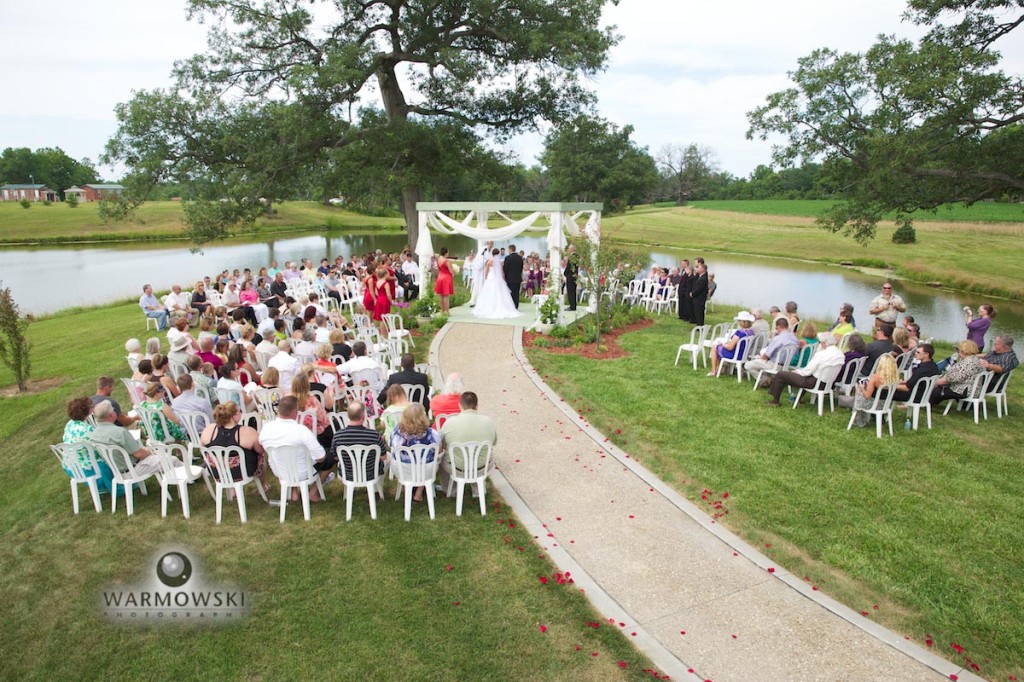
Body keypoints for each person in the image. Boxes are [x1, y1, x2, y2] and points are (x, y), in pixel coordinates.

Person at [765, 333, 845, 406]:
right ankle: (798, 399)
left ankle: (775, 401)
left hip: (815, 383)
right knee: (809, 375)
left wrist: (798, 372)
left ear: (823, 343)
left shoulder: (821, 354)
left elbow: (807, 372)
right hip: (828, 384)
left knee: (781, 375)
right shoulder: (840, 355)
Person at [89, 399, 164, 476]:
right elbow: (139, 454)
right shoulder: (120, 432)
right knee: (172, 460)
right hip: (134, 469)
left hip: (118, 473)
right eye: (113, 410)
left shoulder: (94, 435)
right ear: (111, 415)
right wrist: (150, 450)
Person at [202, 401, 268, 487]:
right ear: (234, 416)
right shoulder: (247, 431)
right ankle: (262, 487)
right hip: (242, 473)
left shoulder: (209, 429)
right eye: (239, 411)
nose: (241, 413)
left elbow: (202, 448)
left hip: (218, 473)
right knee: (261, 457)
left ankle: (233, 491)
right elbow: (260, 450)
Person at [439, 391, 497, 483]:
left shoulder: (450, 422)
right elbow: (493, 443)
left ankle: (450, 490)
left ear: (459, 406)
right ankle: (477, 490)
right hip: (481, 468)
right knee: (488, 454)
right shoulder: (488, 422)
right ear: (477, 406)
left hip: (456, 468)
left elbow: (442, 445)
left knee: (441, 458)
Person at [61, 397, 114, 493]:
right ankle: (112, 484)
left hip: (71, 467)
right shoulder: (86, 430)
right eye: (91, 407)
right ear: (86, 411)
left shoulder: (69, 424)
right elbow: (100, 447)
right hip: (87, 469)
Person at [389, 403, 439, 502]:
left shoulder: (396, 432)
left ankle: (415, 489)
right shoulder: (431, 433)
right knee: (431, 460)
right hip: (425, 471)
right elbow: (439, 450)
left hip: (402, 469)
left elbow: (392, 445)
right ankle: (419, 492)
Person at [330, 401, 386, 482]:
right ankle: (376, 489)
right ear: (363, 416)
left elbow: (335, 457)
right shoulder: (374, 435)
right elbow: (383, 457)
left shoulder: (338, 436)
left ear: (348, 416)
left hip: (347, 475)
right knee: (388, 457)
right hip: (371, 474)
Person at [850, 353, 901, 427]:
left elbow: (867, 396)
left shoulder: (875, 377)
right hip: (884, 404)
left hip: (872, 405)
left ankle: (858, 418)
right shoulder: (894, 377)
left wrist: (861, 387)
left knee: (858, 387)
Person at [745, 317, 800, 385]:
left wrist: (761, 357)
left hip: (774, 365)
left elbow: (766, 355)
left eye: (776, 328)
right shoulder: (795, 339)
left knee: (747, 365)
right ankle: (769, 379)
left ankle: (766, 380)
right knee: (760, 362)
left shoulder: (778, 338)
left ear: (779, 327)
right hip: (786, 366)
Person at [930, 340, 986, 406]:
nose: (959, 352)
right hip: (970, 388)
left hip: (964, 390)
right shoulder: (975, 359)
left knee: (936, 391)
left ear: (963, 351)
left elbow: (956, 378)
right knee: (938, 387)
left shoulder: (969, 362)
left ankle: (927, 403)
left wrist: (937, 382)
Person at [473, 248, 522, 319]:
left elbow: (486, 271)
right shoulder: (500, 262)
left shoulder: (489, 262)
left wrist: (486, 278)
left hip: (491, 278)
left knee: (489, 292)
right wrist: (503, 279)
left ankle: (488, 307)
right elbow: (502, 272)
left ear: (492, 254)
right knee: (500, 293)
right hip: (498, 279)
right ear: (498, 254)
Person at [291, 372, 333, 450]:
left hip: (295, 435)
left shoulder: (288, 400)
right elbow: (322, 419)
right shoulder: (311, 400)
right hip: (315, 435)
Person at [708, 311, 756, 377]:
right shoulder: (751, 333)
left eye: (739, 321)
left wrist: (722, 344)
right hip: (743, 355)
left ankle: (714, 370)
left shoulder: (739, 333)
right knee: (718, 347)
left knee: (715, 347)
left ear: (742, 322)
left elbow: (730, 347)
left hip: (734, 355)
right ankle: (719, 368)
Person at [434, 246, 455, 314]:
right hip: (446, 278)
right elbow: (451, 271)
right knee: (446, 296)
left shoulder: (439, 259)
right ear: (446, 253)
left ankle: (442, 311)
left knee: (441, 296)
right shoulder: (446, 261)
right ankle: (447, 311)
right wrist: (454, 270)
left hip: (440, 277)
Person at [503, 244, 525, 309]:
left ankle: (511, 306)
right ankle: (516, 306)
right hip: (518, 278)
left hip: (510, 278)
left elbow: (505, 269)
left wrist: (506, 276)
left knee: (511, 293)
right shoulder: (520, 258)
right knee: (516, 293)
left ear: (510, 249)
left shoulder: (507, 258)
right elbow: (521, 268)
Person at [563, 245, 579, 312]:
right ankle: (573, 305)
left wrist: (565, 273)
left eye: (569, 249)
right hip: (574, 277)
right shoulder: (576, 256)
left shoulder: (572, 257)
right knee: (573, 292)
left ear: (572, 249)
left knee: (570, 292)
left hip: (570, 277)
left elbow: (569, 267)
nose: (568, 250)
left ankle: (572, 306)